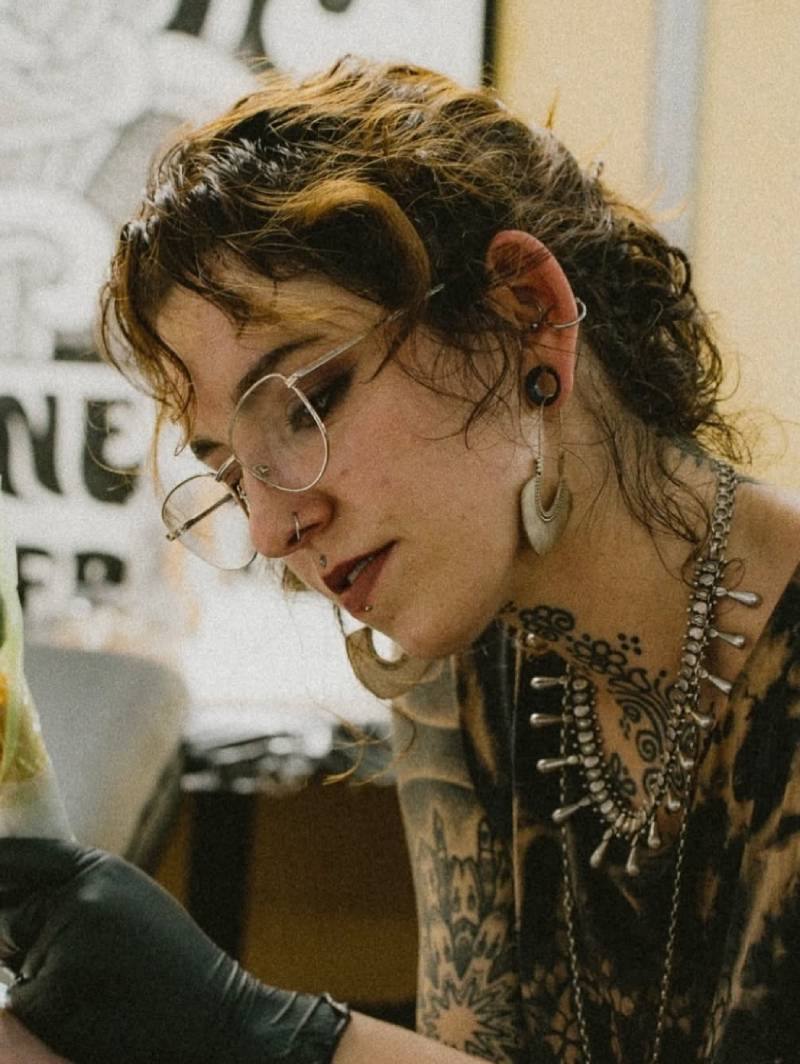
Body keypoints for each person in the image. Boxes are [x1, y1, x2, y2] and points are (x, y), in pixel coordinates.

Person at [0, 55, 798, 1064]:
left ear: (524, 313)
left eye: (307, 404)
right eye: (231, 472)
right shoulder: (465, 659)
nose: (270, 528)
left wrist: (249, 1029)